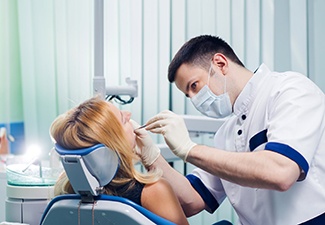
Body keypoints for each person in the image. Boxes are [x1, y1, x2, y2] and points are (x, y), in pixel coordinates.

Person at [133, 35, 325, 225]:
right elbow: (192, 200)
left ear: (220, 63)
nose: (194, 99)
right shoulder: (226, 134)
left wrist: (190, 150)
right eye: (188, 95)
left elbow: (281, 172)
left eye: (194, 86)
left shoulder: (290, 90)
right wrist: (151, 156)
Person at [50, 96, 189, 225]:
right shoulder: (154, 191)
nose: (129, 114)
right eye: (123, 120)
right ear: (116, 144)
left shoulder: (64, 192)